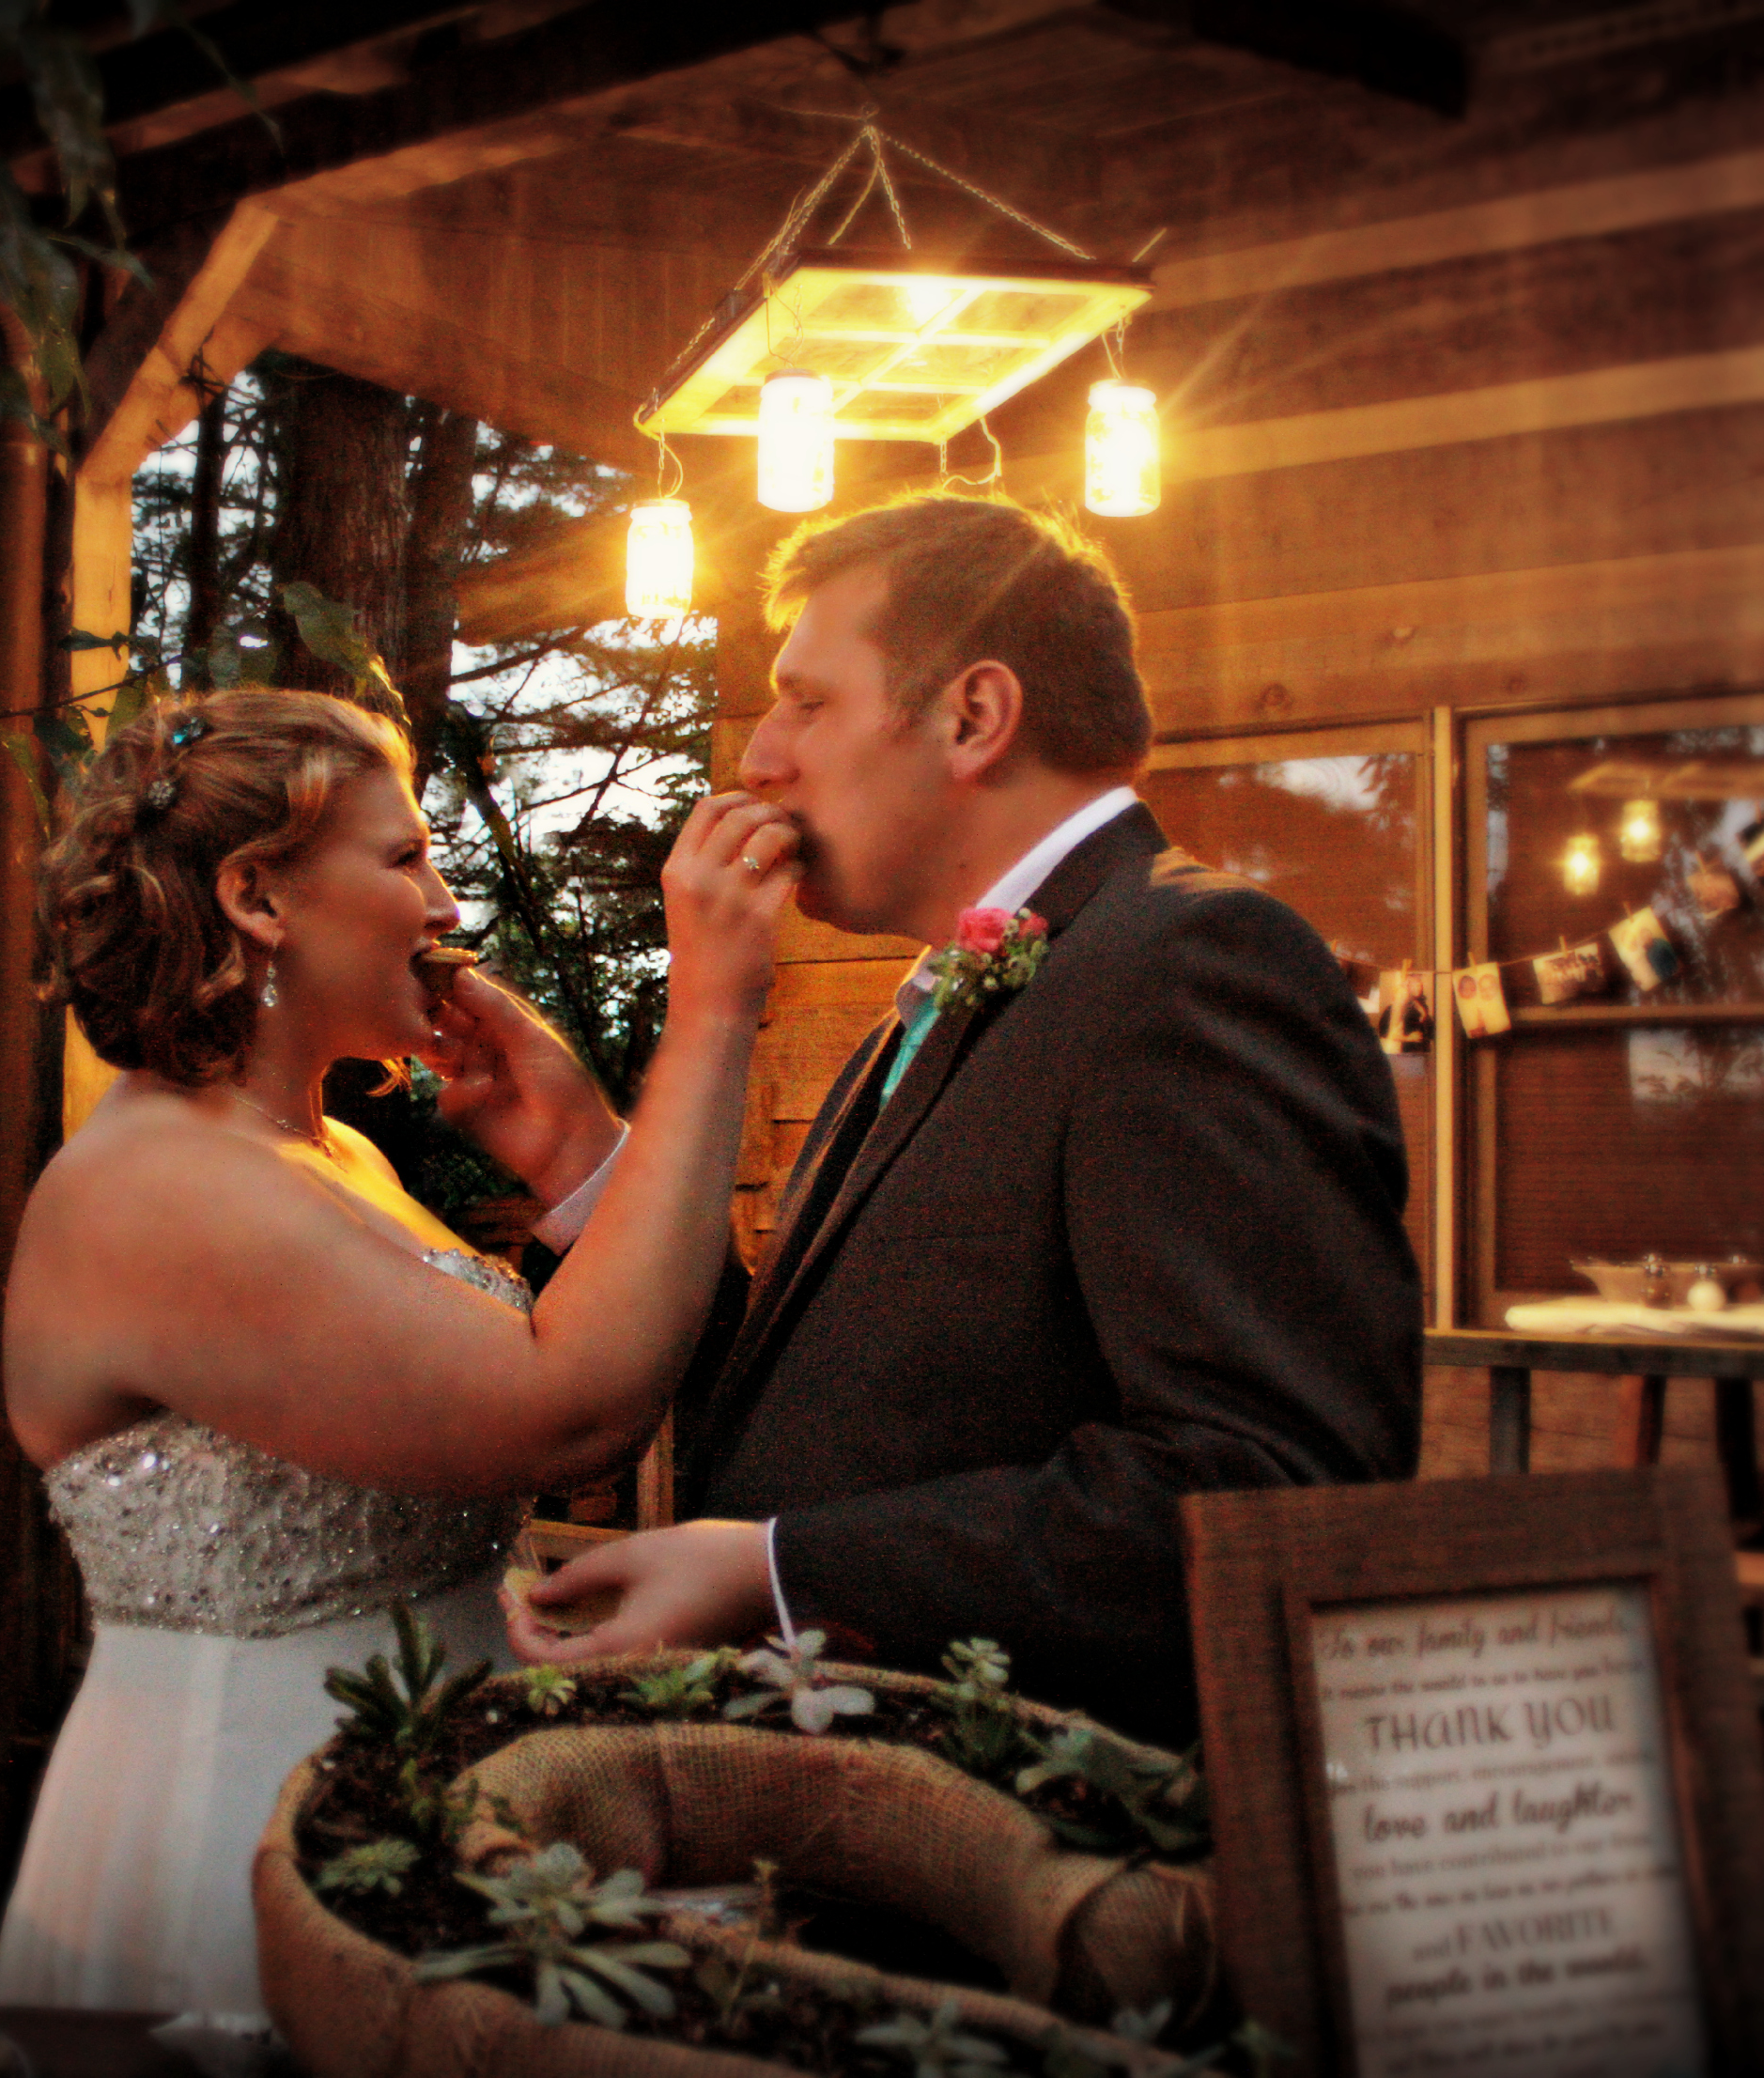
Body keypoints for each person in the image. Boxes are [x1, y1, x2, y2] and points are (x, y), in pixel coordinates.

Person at [504, 493, 1422, 1746]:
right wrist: (582, 1159)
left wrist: (780, 1573)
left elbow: (1266, 1490)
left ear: (974, 717)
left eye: (807, 701)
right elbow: (828, 1398)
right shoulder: (940, 1000)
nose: (759, 759)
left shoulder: (1189, 963)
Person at [0, 689, 797, 2028]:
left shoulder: (337, 1153)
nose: (445, 907)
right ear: (258, 896)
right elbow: (567, 1409)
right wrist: (712, 1011)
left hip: (427, 1805)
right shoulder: (155, 1188)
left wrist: (572, 1147)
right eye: (407, 857)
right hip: (250, 1831)